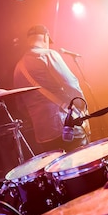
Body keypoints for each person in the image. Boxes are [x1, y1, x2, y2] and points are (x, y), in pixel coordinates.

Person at [13, 24, 90, 153]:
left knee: (60, 171)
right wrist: (82, 109)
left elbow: (21, 105)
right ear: (45, 37)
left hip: (43, 135)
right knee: (83, 163)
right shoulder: (47, 54)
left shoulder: (18, 68)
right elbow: (71, 84)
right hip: (65, 126)